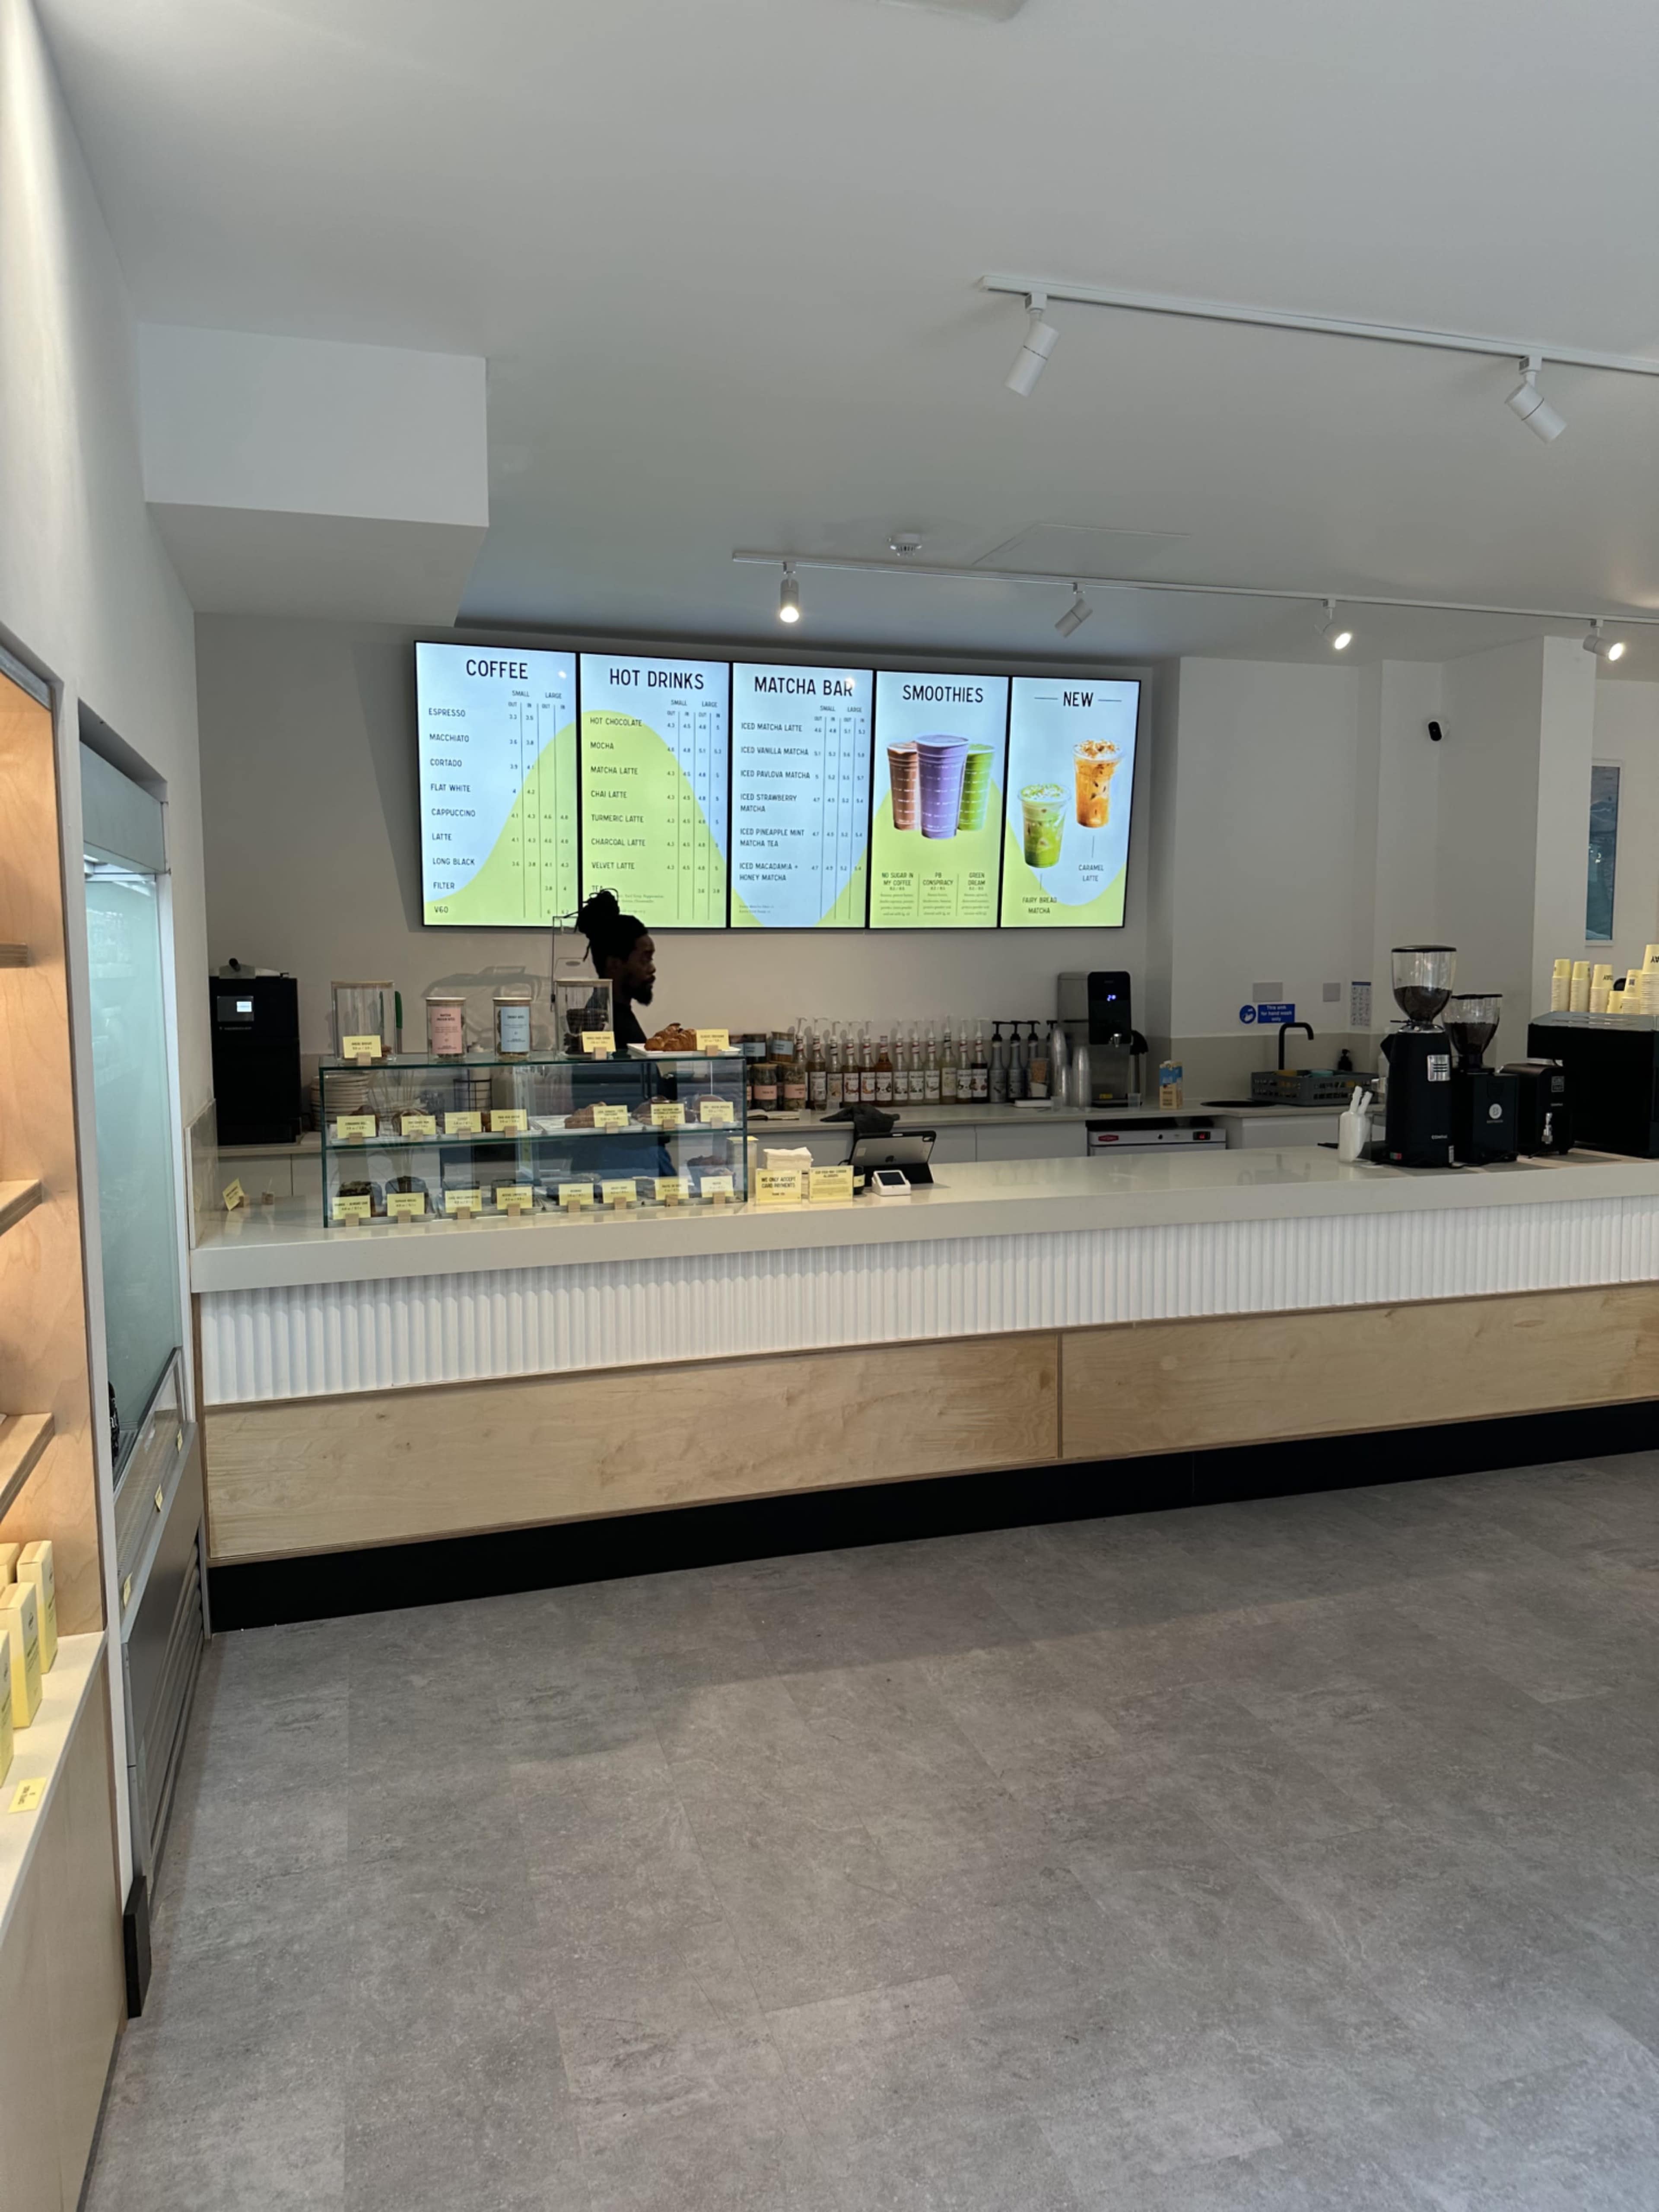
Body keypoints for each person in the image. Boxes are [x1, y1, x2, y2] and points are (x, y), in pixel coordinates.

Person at [576, 889, 657, 1050]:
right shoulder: (601, 1024)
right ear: (614, 964)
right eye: (645, 959)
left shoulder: (613, 1016)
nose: (652, 969)